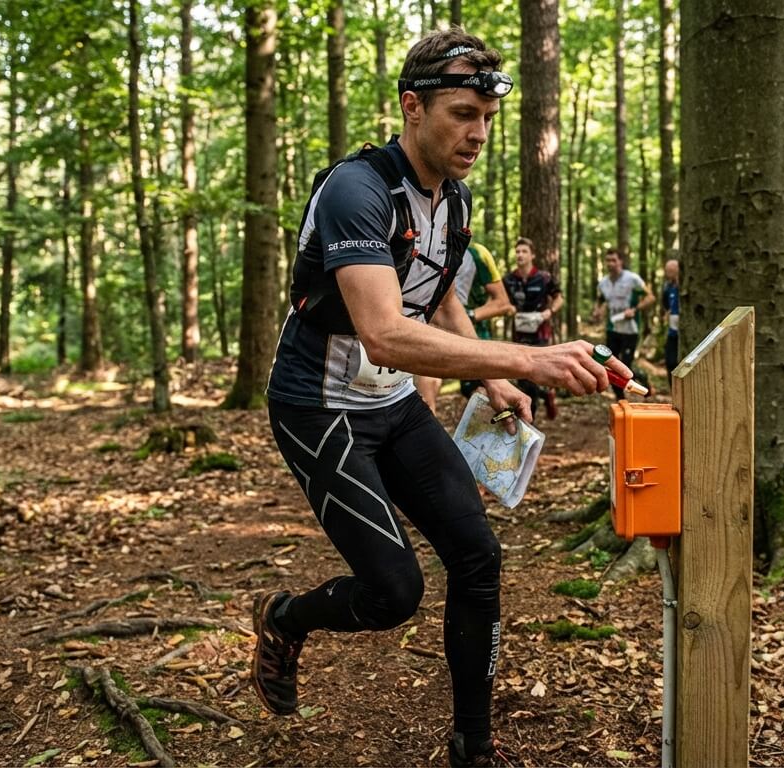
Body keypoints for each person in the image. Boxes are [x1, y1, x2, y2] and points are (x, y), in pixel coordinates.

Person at [256, 29, 631, 768]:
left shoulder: (451, 202)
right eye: (462, 114)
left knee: (478, 557)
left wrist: (490, 378)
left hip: (393, 405)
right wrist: (526, 358)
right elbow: (387, 332)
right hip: (318, 406)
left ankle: (472, 746)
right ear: (412, 106)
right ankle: (284, 617)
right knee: (394, 593)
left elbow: (435, 297)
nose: (479, 134)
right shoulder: (357, 191)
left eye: (487, 119)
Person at [414, 241, 515, 412]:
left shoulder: (477, 253)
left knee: (483, 397)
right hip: (427, 328)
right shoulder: (420, 242)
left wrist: (470, 315)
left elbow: (503, 302)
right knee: (426, 395)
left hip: (469, 332)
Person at [503, 237, 564, 418]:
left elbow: (560, 298)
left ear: (533, 255)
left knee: (537, 373)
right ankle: (541, 401)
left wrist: (549, 312)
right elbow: (502, 303)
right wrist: (510, 309)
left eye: (524, 252)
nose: (520, 255)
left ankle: (537, 408)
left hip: (540, 333)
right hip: (519, 333)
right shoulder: (509, 279)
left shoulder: (544, 278)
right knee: (523, 378)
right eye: (518, 252)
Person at [590, 248, 655, 399]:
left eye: (614, 260)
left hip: (630, 330)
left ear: (621, 261)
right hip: (612, 329)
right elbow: (600, 300)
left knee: (625, 367)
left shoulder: (632, 279)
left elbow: (650, 297)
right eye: (608, 260)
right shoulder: (603, 283)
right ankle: (621, 400)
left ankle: (642, 377)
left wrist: (635, 309)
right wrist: (597, 311)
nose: (610, 264)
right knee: (609, 366)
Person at [659, 259, 680, 383]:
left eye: (671, 270)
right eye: (667, 271)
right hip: (672, 331)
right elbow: (665, 304)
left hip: (682, 332)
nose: (668, 273)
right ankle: (673, 389)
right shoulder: (668, 287)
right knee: (670, 361)